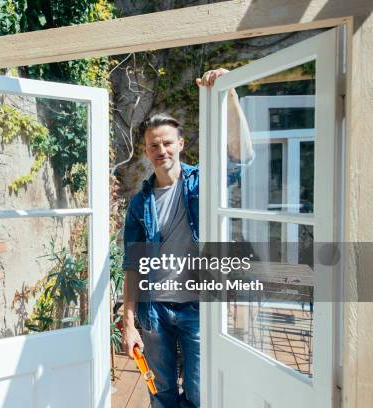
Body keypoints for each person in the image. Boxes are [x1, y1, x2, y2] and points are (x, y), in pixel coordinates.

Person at [121, 68, 255, 408]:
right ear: (146, 151)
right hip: (154, 311)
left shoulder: (202, 183)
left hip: (198, 306)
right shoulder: (140, 203)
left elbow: (242, 157)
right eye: (153, 145)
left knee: (200, 394)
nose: (161, 150)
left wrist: (230, 95)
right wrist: (128, 323)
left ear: (180, 144)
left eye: (167, 143)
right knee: (161, 394)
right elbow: (132, 265)